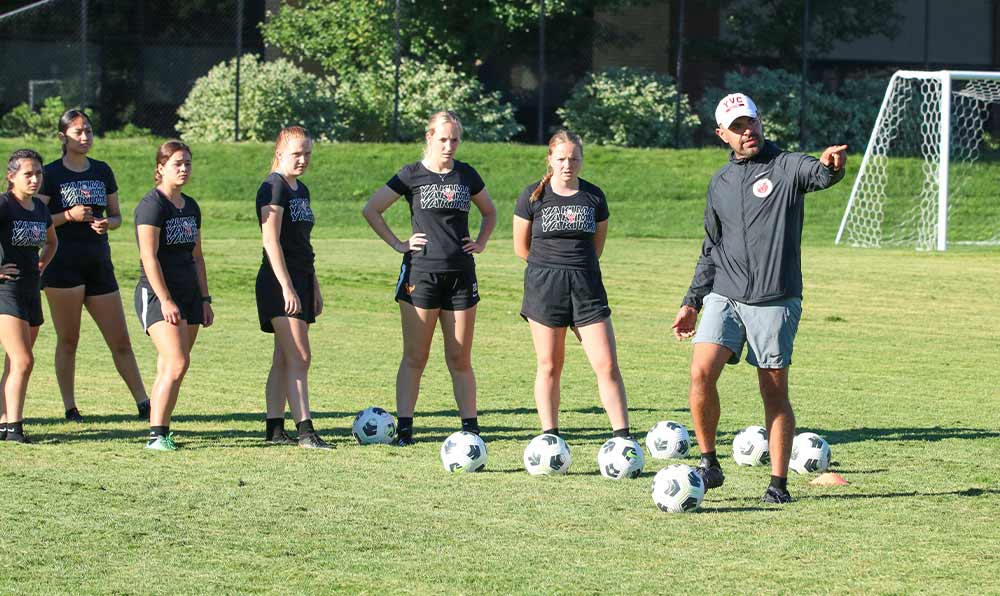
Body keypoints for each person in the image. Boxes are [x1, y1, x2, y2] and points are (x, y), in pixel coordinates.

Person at [671, 93, 847, 504]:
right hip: (725, 294)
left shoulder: (787, 166)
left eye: (750, 122)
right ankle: (709, 461)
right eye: (736, 127)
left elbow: (818, 175)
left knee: (772, 390)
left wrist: (830, 167)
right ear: (722, 135)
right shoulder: (720, 183)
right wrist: (692, 301)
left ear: (761, 122)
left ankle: (777, 484)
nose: (746, 131)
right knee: (701, 372)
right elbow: (711, 247)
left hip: (775, 299)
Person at [362, 111, 497, 445]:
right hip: (421, 274)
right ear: (429, 137)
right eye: (443, 139)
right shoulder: (412, 175)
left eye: (454, 139)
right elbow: (372, 209)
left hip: (461, 276)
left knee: (460, 357)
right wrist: (399, 243)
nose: (449, 146)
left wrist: (480, 241)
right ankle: (405, 429)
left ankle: (471, 429)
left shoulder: (466, 175)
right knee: (416, 356)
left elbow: (490, 211)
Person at [513, 130, 631, 440]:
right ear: (550, 159)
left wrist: (577, 268)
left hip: (586, 286)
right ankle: (550, 435)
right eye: (562, 158)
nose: (568, 164)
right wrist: (550, 268)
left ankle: (622, 435)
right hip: (545, 287)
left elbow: (597, 247)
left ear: (581, 160)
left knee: (606, 365)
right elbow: (521, 248)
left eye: (574, 158)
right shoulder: (532, 196)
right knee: (550, 364)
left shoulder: (594, 196)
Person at [38, 109, 149, 422]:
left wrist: (107, 224)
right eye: (78, 132)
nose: (85, 137)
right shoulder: (50, 174)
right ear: (63, 137)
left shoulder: (102, 170)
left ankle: (144, 403)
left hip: (98, 263)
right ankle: (70, 408)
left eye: (88, 130)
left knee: (121, 341)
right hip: (62, 267)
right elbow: (37, 220)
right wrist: (67, 217)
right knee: (69, 340)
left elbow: (116, 216)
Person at [133, 140, 214, 451]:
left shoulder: (190, 206)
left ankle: (162, 430)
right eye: (177, 163)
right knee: (176, 361)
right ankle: (156, 434)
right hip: (158, 295)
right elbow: (148, 257)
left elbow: (197, 256)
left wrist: (205, 299)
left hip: (190, 294)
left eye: (188, 163)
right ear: (160, 167)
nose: (183, 169)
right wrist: (165, 299)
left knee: (176, 364)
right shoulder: (152, 205)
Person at [255, 126, 331, 449]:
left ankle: (274, 429)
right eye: (296, 154)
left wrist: (311, 284)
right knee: (300, 356)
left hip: (300, 278)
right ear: (279, 153)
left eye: (307, 154)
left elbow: (303, 244)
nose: (303, 160)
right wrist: (286, 286)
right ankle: (305, 431)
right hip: (278, 280)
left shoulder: (301, 189)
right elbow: (270, 240)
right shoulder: (272, 188)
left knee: (285, 358)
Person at [0, 149, 58, 443]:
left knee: (14, 362)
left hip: (30, 290)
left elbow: (51, 241)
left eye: (39, 173)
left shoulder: (39, 208)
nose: (35, 179)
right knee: (23, 361)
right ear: (11, 176)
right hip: (5, 291)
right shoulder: (3, 204)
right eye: (28, 174)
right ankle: (14, 429)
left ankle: (2, 422)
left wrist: (40, 264)